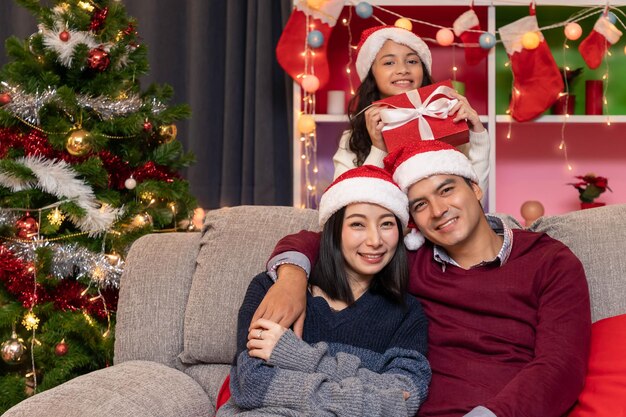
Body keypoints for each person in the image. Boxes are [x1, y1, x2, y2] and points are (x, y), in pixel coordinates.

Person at [258, 140, 591, 417]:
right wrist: (291, 276)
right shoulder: (409, 261)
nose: (438, 210)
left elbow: (560, 366)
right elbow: (331, 241)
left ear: (475, 188)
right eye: (420, 204)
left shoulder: (549, 261)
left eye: (446, 190)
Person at [217, 165, 431, 416]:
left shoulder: (407, 313)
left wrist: (297, 356)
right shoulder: (271, 288)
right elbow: (251, 386)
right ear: (334, 231)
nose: (375, 240)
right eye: (358, 225)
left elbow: (406, 398)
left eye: (386, 224)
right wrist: (369, 398)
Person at [334, 25, 490, 198]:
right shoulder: (352, 140)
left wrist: (477, 134)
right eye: (389, 62)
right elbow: (349, 207)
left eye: (412, 61)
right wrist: (378, 150)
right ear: (372, 74)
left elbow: (475, 203)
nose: (403, 70)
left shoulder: (448, 123)